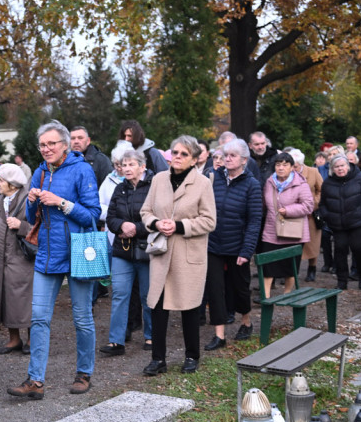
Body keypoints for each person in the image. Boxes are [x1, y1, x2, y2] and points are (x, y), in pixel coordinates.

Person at [8, 120, 100, 400]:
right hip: (47, 253)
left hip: (77, 252)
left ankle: (84, 373)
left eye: (51, 144)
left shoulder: (82, 169)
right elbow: (32, 213)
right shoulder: (38, 171)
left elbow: (93, 215)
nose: (46, 149)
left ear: (65, 145)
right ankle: (35, 380)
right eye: (42, 145)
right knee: (38, 318)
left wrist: (61, 202)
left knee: (82, 317)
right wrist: (34, 199)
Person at [140, 135, 216, 375]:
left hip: (188, 254)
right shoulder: (159, 179)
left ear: (194, 159)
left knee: (190, 308)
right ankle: (158, 359)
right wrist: (155, 223)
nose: (177, 157)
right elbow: (145, 211)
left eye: (184, 154)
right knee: (158, 306)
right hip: (162, 253)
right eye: (175, 152)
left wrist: (180, 226)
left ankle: (192, 356)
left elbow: (209, 220)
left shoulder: (203, 183)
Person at [204, 139, 261, 351]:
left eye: (232, 155)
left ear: (244, 160)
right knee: (215, 289)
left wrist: (247, 250)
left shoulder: (252, 184)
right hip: (213, 243)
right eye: (225, 155)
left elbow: (255, 220)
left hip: (237, 245)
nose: (227, 159)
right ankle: (219, 335)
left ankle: (246, 320)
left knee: (240, 289)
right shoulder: (213, 178)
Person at [101, 149, 152, 356]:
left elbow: (159, 217)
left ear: (142, 166)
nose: (127, 168)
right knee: (120, 294)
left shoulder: (153, 186)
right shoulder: (119, 188)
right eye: (124, 165)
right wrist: (122, 226)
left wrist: (136, 229)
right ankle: (116, 341)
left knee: (148, 296)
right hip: (122, 250)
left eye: (131, 164)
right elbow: (110, 216)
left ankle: (151, 336)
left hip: (147, 250)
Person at [0, 163, 34, 355]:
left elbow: (41, 228)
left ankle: (31, 339)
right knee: (4, 299)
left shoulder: (28, 200)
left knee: (24, 299)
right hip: (0, 260)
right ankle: (14, 339)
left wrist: (21, 226)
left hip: (21, 261)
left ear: (12, 184)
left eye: (1, 181)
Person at [319, 156, 361, 290]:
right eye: (337, 167)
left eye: (342, 166)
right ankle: (342, 280)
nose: (340, 169)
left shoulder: (360, 178)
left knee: (358, 248)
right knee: (340, 249)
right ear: (332, 169)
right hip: (337, 224)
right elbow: (322, 204)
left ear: (348, 166)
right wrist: (327, 216)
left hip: (358, 221)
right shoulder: (328, 183)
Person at [259, 152, 314, 298]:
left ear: (292, 168)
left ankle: (287, 294)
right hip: (271, 230)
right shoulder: (269, 182)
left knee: (290, 267)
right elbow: (264, 204)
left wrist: (288, 210)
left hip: (293, 232)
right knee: (268, 265)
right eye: (278, 164)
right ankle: (266, 296)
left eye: (285, 165)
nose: (281, 168)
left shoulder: (300, 184)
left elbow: (308, 206)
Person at [288, 149, 323, 282]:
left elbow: (321, 189)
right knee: (292, 242)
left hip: (310, 214)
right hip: (293, 213)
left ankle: (312, 268)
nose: (293, 169)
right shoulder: (287, 174)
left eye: (295, 166)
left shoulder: (313, 172)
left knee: (312, 243)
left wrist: (314, 203)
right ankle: (292, 271)